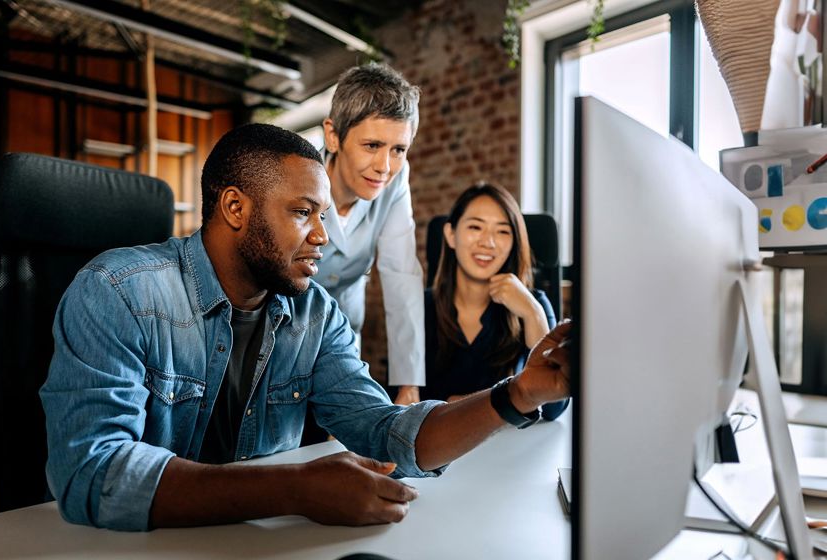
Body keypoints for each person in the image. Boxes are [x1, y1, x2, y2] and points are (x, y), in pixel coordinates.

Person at [39, 123, 571, 531]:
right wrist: (292, 490)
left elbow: (388, 433)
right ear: (234, 207)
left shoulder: (313, 313)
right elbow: (94, 473)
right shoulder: (119, 291)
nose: (323, 236)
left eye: (324, 216)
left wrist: (518, 393)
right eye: (303, 213)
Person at [315, 63, 424, 406]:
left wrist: (408, 383)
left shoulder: (394, 180)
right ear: (333, 136)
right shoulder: (297, 181)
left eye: (398, 149)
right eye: (372, 145)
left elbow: (400, 272)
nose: (385, 166)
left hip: (344, 329)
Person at [422, 184, 569, 421]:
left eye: (502, 231)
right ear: (450, 235)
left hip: (509, 450)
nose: (488, 242)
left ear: (514, 242)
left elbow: (553, 409)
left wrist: (533, 315)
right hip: (438, 450)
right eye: (475, 227)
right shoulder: (420, 308)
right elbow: (403, 400)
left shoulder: (535, 304)